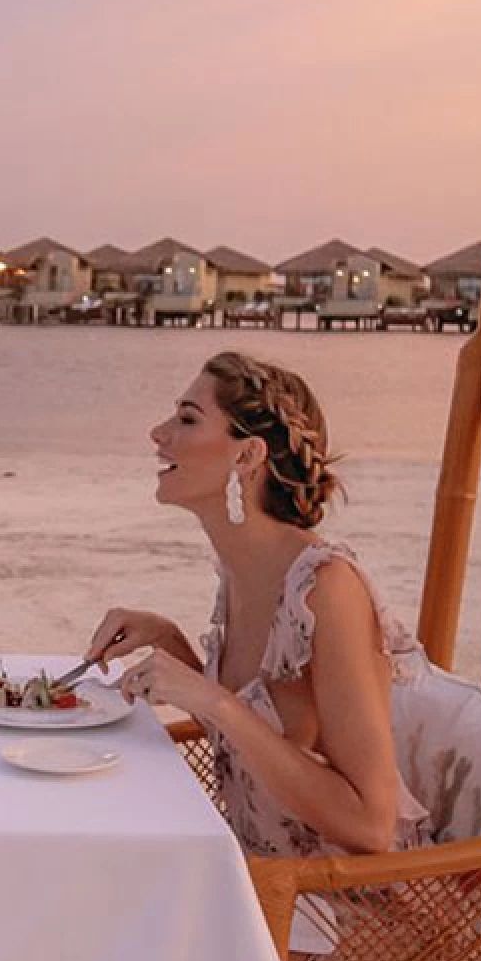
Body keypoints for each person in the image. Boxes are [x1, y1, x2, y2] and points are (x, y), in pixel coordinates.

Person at [86, 351, 428, 861]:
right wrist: (172, 644)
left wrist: (212, 699)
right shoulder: (242, 571)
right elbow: (257, 751)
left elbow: (371, 827)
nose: (158, 434)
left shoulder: (325, 590)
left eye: (186, 419)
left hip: (339, 903)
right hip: (253, 878)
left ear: (247, 457)